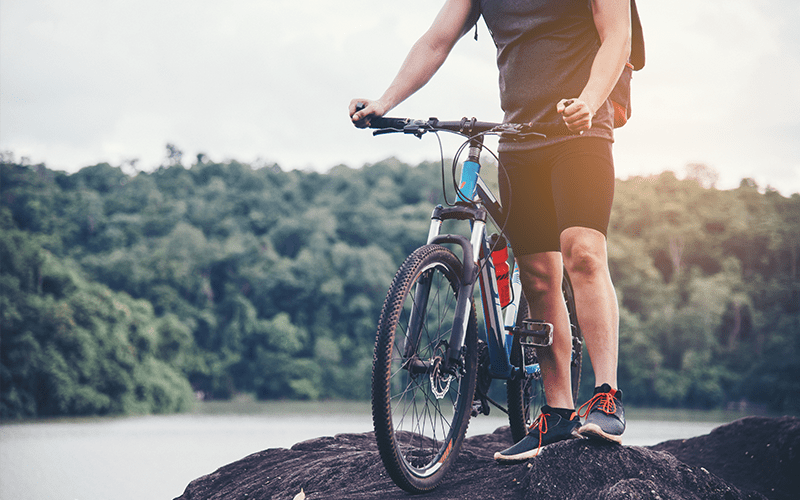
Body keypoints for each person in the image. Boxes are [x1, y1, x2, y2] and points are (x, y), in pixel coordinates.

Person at [350, 0, 630, 462]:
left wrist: (590, 100)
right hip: (519, 138)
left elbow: (616, 35)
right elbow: (435, 42)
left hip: (581, 133)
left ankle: (605, 396)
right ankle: (557, 416)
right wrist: (385, 102)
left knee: (581, 252)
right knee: (538, 277)